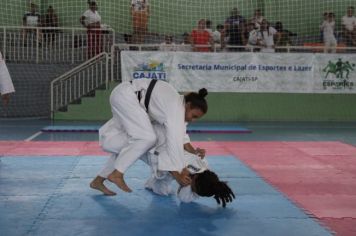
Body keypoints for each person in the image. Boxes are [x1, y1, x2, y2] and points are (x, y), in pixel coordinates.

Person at [90, 79, 209, 193]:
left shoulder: (177, 106)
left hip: (124, 97)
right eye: (194, 116)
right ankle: (117, 173)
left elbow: (181, 136)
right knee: (147, 138)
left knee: (129, 146)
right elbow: (175, 142)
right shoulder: (175, 107)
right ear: (188, 105)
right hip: (126, 97)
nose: (193, 120)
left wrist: (194, 152)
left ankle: (98, 181)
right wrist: (181, 171)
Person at [143, 124, 235, 207]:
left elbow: (184, 197)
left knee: (171, 192)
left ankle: (156, 181)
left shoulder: (204, 170)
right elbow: (163, 156)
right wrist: (178, 176)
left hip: (175, 154)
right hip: (155, 150)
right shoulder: (187, 165)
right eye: (193, 188)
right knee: (162, 189)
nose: (190, 187)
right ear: (194, 179)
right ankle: (153, 181)